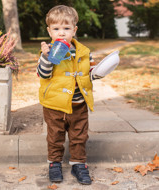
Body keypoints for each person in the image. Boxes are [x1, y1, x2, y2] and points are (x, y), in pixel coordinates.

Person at [37, 5, 100, 185]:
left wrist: (98, 72)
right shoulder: (48, 51)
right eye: (56, 29)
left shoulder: (84, 52)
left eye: (66, 28)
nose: (61, 33)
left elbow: (91, 71)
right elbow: (43, 74)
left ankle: (78, 164)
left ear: (74, 29)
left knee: (79, 136)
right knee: (55, 136)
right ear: (49, 31)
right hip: (54, 105)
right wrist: (46, 57)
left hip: (78, 104)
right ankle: (54, 163)